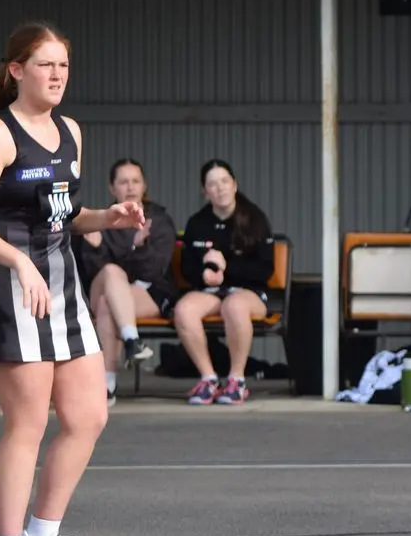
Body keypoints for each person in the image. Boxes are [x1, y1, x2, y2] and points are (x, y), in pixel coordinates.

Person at [0, 22, 146, 536]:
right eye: (45, 64)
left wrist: (108, 217)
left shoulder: (70, 132)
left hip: (61, 288)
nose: (57, 74)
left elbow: (65, 214)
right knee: (28, 423)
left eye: (63, 64)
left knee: (89, 417)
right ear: (16, 70)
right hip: (8, 287)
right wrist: (18, 260)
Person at [173, 159, 275, 406]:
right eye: (212, 184)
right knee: (184, 309)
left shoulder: (255, 219)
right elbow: (187, 268)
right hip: (211, 292)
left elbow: (265, 270)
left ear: (234, 185)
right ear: (205, 191)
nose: (220, 188)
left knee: (234, 305)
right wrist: (203, 275)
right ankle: (208, 379)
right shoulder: (197, 223)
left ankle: (236, 381)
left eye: (224, 181)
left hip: (249, 292)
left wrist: (228, 268)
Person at [79, 157, 178, 405]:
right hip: (103, 286)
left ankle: (108, 384)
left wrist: (140, 247)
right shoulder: (102, 219)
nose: (131, 187)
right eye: (123, 182)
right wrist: (94, 248)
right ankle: (132, 340)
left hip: (147, 292)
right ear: (112, 188)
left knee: (107, 304)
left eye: (136, 181)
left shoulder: (159, 220)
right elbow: (90, 272)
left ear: (144, 185)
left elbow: (155, 272)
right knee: (111, 274)